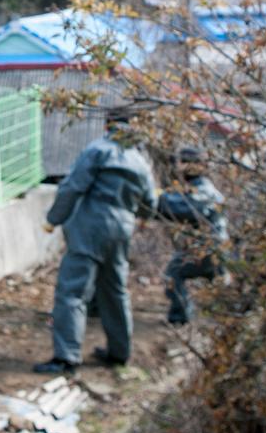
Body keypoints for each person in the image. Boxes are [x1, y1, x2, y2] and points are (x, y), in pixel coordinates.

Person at [34, 111, 157, 374]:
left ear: (107, 126)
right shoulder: (141, 161)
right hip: (122, 229)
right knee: (115, 290)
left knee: (73, 292)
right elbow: (150, 205)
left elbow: (72, 187)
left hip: (90, 226)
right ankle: (119, 353)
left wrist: (54, 219)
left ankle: (66, 358)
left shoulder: (97, 150)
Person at [157, 146, 229, 325]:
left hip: (209, 250)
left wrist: (155, 199)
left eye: (182, 163)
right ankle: (224, 318)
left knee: (173, 274)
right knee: (220, 286)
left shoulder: (202, 190)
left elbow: (184, 208)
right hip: (216, 249)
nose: (178, 168)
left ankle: (180, 318)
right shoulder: (200, 188)